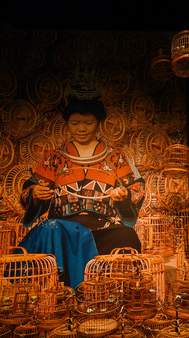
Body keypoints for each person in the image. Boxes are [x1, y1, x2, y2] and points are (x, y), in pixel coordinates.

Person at [18, 95, 145, 288]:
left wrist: (124, 196)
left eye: (88, 123)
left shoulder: (116, 156)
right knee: (51, 230)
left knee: (127, 237)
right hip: (63, 227)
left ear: (98, 123)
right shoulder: (54, 157)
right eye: (75, 123)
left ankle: (107, 294)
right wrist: (35, 193)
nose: (82, 128)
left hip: (103, 227)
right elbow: (31, 187)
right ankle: (61, 293)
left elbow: (136, 187)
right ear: (67, 123)